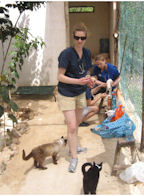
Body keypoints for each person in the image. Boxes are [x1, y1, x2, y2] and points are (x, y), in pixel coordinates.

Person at [57, 23, 94, 173]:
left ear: (86, 38)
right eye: (77, 38)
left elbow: (85, 71)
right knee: (72, 126)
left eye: (82, 38)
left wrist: (88, 79)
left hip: (80, 92)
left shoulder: (87, 52)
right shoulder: (66, 54)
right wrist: (78, 81)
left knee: (76, 123)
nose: (79, 40)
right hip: (66, 93)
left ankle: (74, 145)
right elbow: (60, 76)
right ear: (73, 37)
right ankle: (73, 157)